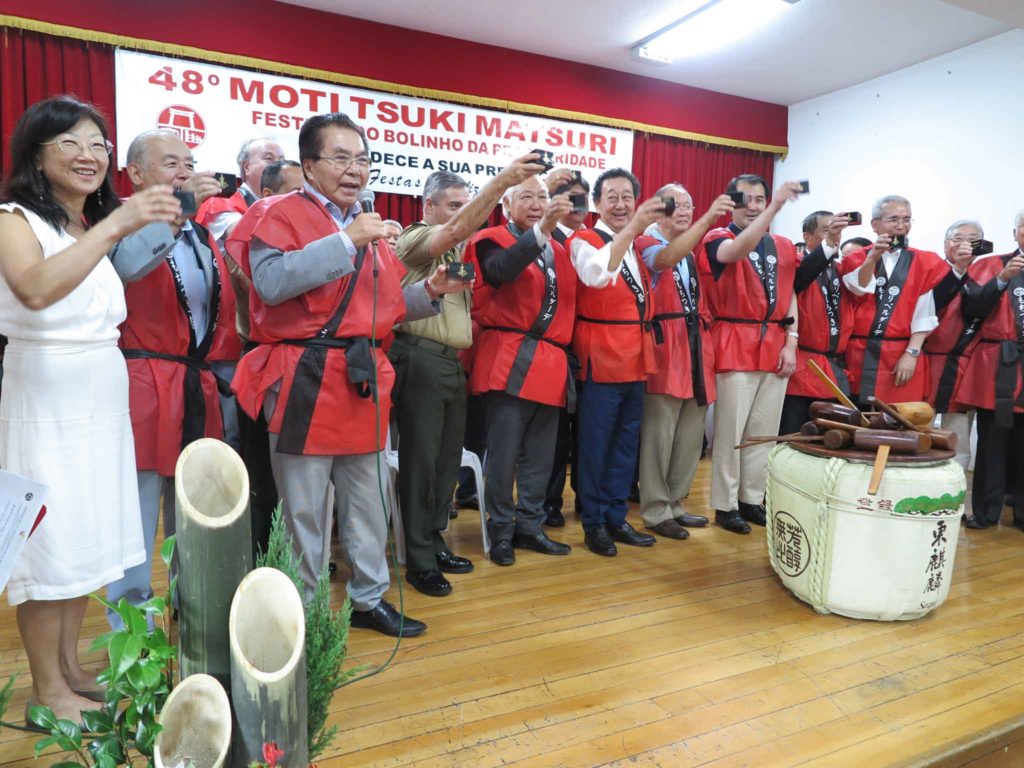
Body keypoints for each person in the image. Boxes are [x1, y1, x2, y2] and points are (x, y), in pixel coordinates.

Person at [230, 112, 463, 636]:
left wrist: (430, 293)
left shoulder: (368, 223)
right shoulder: (278, 213)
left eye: (361, 158)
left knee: (368, 502)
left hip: (361, 377)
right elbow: (270, 283)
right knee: (304, 511)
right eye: (341, 157)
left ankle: (369, 599)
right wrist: (347, 240)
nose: (355, 169)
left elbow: (379, 305)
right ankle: (304, 611)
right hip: (303, 376)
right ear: (309, 166)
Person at [0, 95, 180, 721]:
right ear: (37, 153)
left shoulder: (86, 226)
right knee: (48, 542)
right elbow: (36, 288)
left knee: (86, 538)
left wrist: (111, 225)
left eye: (98, 143)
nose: (89, 155)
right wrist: (118, 224)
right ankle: (44, 692)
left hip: (100, 390)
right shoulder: (14, 218)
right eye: (70, 143)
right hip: (47, 392)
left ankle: (72, 668)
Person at [104, 129, 242, 627]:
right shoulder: (114, 223)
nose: (185, 172)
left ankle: (195, 619)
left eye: (189, 163)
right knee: (138, 516)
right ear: (136, 174)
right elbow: (129, 270)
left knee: (193, 509)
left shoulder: (203, 236)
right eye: (170, 164)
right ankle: (133, 636)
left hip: (193, 381)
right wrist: (179, 209)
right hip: (141, 378)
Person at [390, 156, 544, 596]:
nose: (462, 212)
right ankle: (418, 559)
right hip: (419, 358)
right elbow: (455, 231)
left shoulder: (458, 254)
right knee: (421, 463)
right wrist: (502, 184)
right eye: (453, 204)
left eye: (466, 202)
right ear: (428, 208)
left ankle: (433, 540)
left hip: (450, 363)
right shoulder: (418, 238)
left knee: (445, 464)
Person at [462, 176, 575, 566]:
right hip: (508, 354)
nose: (536, 203)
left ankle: (530, 524)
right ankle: (501, 527)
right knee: (504, 454)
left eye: (542, 196)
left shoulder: (561, 250)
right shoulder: (490, 237)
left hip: (551, 360)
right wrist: (542, 231)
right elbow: (499, 272)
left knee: (540, 456)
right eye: (526, 196)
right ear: (506, 204)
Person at [699, 174, 802, 534]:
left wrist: (792, 340)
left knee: (763, 432)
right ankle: (725, 505)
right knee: (731, 432)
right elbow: (735, 252)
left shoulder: (783, 245)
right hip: (735, 339)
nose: (754, 206)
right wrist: (776, 206)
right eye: (746, 199)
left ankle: (751, 498)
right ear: (731, 202)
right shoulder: (718, 237)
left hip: (774, 342)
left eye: (761, 199)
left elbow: (790, 294)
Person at [568, 168, 662, 556]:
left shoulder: (639, 247)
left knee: (626, 444)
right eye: (612, 196)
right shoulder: (582, 239)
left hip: (636, 354)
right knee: (595, 444)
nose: (621, 204)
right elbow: (595, 276)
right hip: (602, 352)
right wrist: (634, 227)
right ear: (596, 203)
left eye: (628, 196)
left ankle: (615, 515)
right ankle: (593, 522)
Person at [637, 184, 733, 539]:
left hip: (694, 342)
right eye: (676, 205)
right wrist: (708, 219)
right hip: (666, 343)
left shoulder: (691, 252)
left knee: (691, 433)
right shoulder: (646, 242)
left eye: (691, 206)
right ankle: (655, 507)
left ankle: (676, 502)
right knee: (659, 433)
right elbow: (664, 262)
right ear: (659, 208)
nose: (685, 211)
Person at [840, 196, 952, 406]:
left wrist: (912, 352)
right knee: (856, 420)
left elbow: (924, 314)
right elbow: (858, 289)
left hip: (901, 351)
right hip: (860, 351)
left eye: (906, 219)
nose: (901, 226)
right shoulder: (856, 258)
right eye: (894, 219)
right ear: (875, 224)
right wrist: (872, 257)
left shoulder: (925, 261)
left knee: (899, 423)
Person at [956, 210, 1024, 529]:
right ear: (1015, 232)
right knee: (992, 441)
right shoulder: (991, 264)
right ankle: (985, 510)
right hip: (999, 362)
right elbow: (971, 308)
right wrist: (1002, 279)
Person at [542, 169, 590, 526]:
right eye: (570, 197)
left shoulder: (594, 241)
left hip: (589, 350)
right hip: (553, 348)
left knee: (584, 435)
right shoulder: (543, 237)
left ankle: (584, 501)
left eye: (582, 197)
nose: (578, 204)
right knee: (553, 436)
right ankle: (548, 503)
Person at [778, 210, 852, 435]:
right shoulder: (797, 264)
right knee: (793, 437)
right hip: (803, 364)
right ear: (807, 237)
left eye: (837, 230)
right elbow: (802, 278)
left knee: (832, 439)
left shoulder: (840, 270)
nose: (835, 235)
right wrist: (828, 244)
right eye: (826, 230)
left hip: (835, 365)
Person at [925, 219, 985, 471]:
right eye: (958, 239)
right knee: (919, 425)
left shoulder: (988, 272)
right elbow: (929, 305)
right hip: (927, 360)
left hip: (965, 363)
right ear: (945, 244)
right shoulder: (931, 269)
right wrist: (959, 269)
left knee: (958, 434)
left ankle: (954, 492)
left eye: (973, 240)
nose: (965, 245)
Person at [195, 137, 285, 244]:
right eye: (269, 158)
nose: (279, 165)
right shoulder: (222, 200)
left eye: (282, 160)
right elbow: (248, 238)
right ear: (246, 167)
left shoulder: (285, 205)